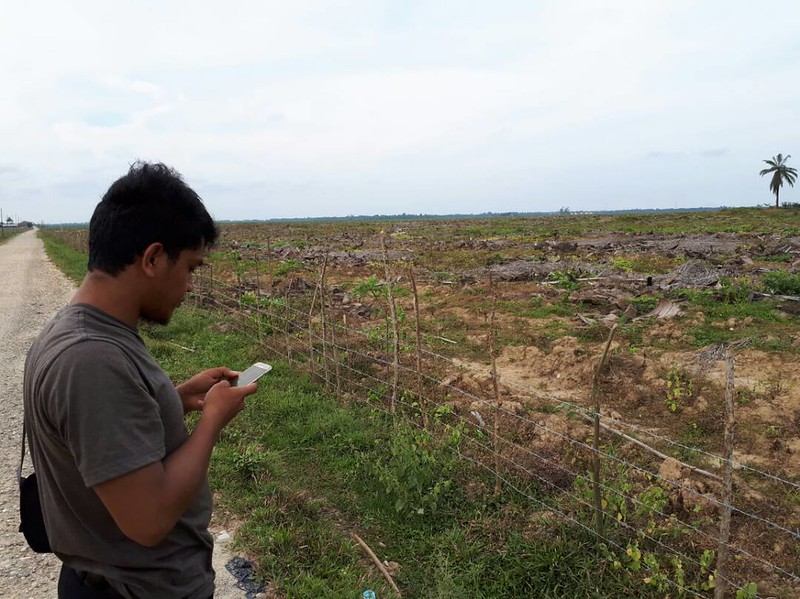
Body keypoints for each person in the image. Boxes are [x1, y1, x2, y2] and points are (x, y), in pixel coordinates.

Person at [23, 161, 258, 598]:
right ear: (152, 258)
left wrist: (174, 396)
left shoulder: (79, 330)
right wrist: (212, 423)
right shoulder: (91, 359)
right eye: (190, 268)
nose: (189, 287)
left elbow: (103, 433)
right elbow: (148, 521)